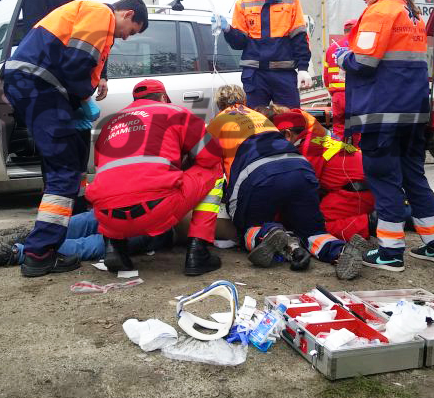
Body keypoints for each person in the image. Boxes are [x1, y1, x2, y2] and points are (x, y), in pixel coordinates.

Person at [2, 0, 148, 278]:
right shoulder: (99, 14)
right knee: (65, 171)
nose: (126, 37)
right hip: (40, 84)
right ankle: (39, 253)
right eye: (131, 30)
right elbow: (77, 65)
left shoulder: (89, 14)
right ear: (127, 13)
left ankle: (42, 247)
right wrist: (81, 98)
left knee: (64, 167)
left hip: (34, 83)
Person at [335, 0, 434, 273]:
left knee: (384, 179)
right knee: (414, 176)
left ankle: (390, 252)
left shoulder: (380, 11)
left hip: (382, 112)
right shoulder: (411, 12)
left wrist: (342, 55)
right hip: (412, 111)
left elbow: (364, 62)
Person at [87, 79, 225, 277]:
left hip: (108, 218)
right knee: (214, 169)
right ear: (162, 97)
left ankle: (114, 248)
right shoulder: (174, 112)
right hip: (156, 208)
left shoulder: (110, 123)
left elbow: (107, 172)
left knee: (114, 187)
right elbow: (211, 155)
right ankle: (198, 251)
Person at [207, 85, 329, 272]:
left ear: (219, 105)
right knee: (312, 231)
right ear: (245, 100)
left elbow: (207, 162)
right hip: (299, 168)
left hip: (255, 176)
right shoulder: (263, 117)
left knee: (245, 228)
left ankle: (272, 234)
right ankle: (338, 250)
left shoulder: (217, 122)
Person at [271, 111, 373, 279]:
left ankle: (370, 223)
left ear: (288, 135)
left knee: (314, 225)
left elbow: (299, 192)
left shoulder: (307, 150)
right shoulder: (318, 138)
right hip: (363, 188)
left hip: (355, 193)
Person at [218, 0, 312, 108]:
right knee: (256, 125)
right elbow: (239, 43)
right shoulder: (243, 3)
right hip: (255, 75)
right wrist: (228, 30)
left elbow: (299, 36)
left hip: (284, 73)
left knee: (291, 123)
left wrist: (303, 68)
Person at [22, 0, 109, 102]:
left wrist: (102, 76)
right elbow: (34, 41)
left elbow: (92, 38)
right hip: (49, 85)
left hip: (73, 83)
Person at [0, 211, 174, 271]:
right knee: (87, 225)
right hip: (150, 212)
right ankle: (23, 243)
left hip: (160, 221)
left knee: (93, 238)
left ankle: (19, 249)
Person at [324, 19, 357, 141]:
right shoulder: (359, 46)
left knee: (338, 128)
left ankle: (339, 157)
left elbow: (326, 75)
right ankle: (358, 157)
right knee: (357, 129)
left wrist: (332, 92)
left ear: (344, 31)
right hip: (355, 94)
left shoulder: (332, 48)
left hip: (337, 95)